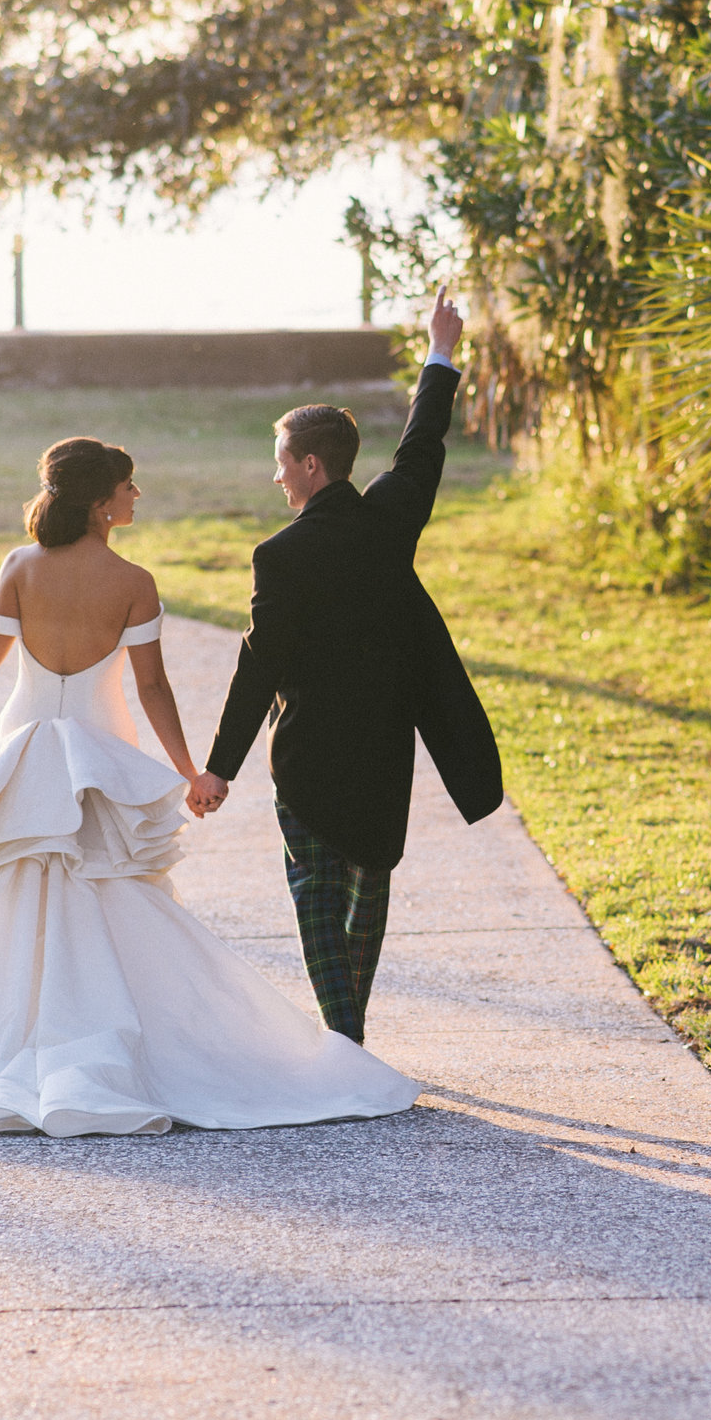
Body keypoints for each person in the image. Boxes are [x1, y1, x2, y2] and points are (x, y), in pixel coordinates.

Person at [0, 436, 420, 1137]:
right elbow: (152, 686)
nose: (137, 497)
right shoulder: (133, 582)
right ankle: (104, 1049)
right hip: (100, 759)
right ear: (102, 503)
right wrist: (191, 769)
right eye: (129, 487)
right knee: (117, 903)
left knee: (5, 910)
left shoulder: (20, 567)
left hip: (25, 756)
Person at [189, 288, 503, 1042]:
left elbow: (255, 669)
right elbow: (423, 442)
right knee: (368, 895)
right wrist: (441, 352)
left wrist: (221, 768)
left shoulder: (280, 556)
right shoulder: (391, 519)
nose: (276, 479)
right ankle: (348, 1036)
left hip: (305, 759)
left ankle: (344, 1039)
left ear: (310, 465)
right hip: (381, 754)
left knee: (314, 900)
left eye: (281, 465)